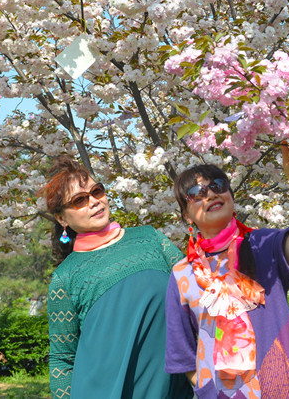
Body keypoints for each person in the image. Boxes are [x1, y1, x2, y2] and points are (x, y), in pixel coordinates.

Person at [165, 145, 289, 397]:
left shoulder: (262, 245)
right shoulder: (182, 275)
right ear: (186, 215)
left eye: (218, 185)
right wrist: (207, 387)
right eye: (197, 193)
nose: (210, 195)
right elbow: (181, 352)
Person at [42, 155, 193, 399]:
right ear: (62, 219)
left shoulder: (150, 239)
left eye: (97, 191)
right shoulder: (65, 277)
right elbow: (62, 361)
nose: (94, 201)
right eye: (80, 200)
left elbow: (197, 288)